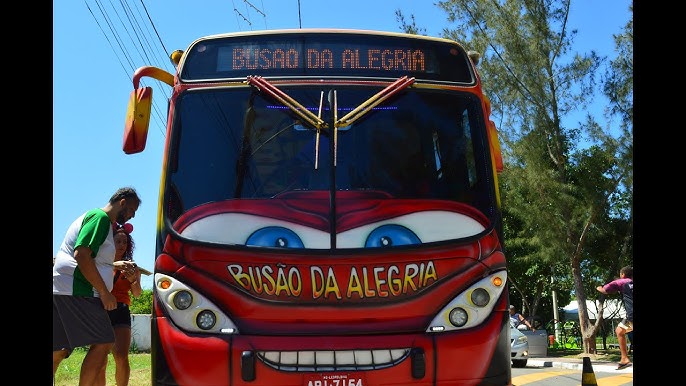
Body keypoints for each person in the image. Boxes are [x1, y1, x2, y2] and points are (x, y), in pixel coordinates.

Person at [53, 187, 142, 384]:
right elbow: (82, 254)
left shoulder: (97, 219)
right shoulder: (100, 217)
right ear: (122, 202)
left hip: (64, 288)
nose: (132, 216)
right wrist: (104, 292)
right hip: (79, 289)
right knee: (104, 341)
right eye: (132, 210)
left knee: (57, 349)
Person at [97, 223, 142, 386]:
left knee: (121, 355)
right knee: (100, 358)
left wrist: (132, 280)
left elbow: (137, 294)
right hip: (100, 309)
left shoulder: (132, 267)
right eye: (118, 241)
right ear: (110, 242)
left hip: (121, 308)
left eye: (125, 242)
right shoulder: (100, 263)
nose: (122, 245)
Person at [596, 265, 633, 370]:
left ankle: (625, 358)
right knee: (619, 331)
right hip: (630, 317)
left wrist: (598, 287)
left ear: (623, 274)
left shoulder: (621, 282)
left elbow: (605, 290)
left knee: (620, 331)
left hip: (632, 315)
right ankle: (624, 358)